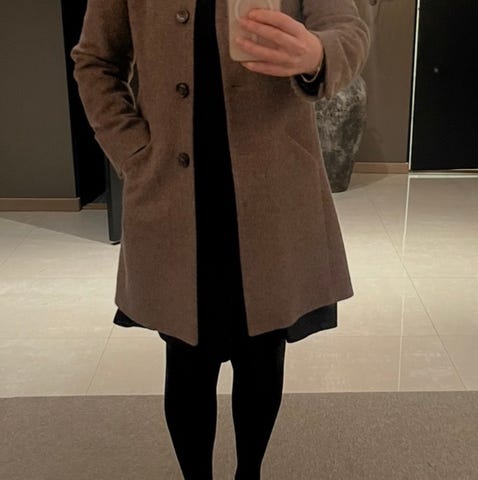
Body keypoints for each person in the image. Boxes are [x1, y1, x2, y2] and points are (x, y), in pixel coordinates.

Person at [71, 0, 370, 478]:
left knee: (263, 352)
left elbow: (347, 28)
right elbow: (95, 60)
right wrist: (132, 151)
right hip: (173, 195)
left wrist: (318, 53)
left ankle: (249, 472)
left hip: (273, 196)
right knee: (187, 356)